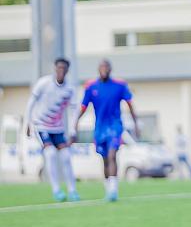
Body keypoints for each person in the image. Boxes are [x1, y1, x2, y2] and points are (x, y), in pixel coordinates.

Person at [74, 59, 139, 201]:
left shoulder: (119, 85)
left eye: (106, 67)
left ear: (110, 69)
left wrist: (136, 124)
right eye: (101, 67)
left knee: (112, 155)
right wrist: (76, 122)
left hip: (115, 126)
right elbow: (83, 107)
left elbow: (130, 104)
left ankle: (114, 190)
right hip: (99, 129)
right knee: (104, 159)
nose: (104, 69)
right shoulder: (91, 87)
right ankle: (108, 189)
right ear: (98, 69)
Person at [24, 58, 80, 202]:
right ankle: (56, 191)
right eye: (58, 67)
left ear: (67, 70)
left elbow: (74, 110)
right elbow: (31, 102)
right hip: (41, 126)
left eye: (64, 68)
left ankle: (72, 191)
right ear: (55, 69)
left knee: (66, 156)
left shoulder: (70, 89)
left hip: (58, 129)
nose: (61, 70)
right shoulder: (44, 83)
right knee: (50, 154)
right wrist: (27, 123)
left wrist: (73, 131)